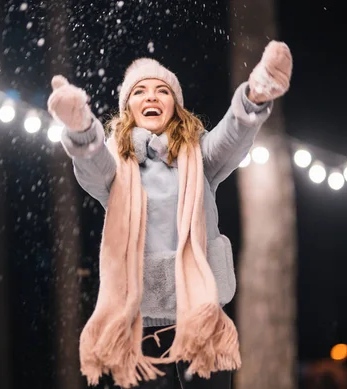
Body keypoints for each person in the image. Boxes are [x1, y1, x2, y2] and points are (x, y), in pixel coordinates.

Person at [47, 40, 293, 389]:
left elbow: (233, 135)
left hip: (201, 315)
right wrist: (80, 129)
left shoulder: (200, 156)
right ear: (127, 107)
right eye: (140, 91)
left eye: (162, 91)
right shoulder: (116, 167)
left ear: (175, 107)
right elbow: (90, 162)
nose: (151, 96)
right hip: (141, 322)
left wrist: (256, 95)